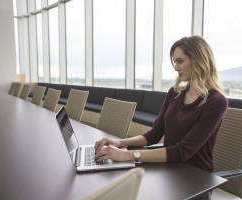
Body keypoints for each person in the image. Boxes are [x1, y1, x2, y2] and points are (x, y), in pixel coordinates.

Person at [94, 35, 228, 173]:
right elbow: (155, 133)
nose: (176, 67)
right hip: (168, 168)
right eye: (175, 62)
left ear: (198, 61)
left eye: (180, 61)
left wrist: (126, 155)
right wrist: (121, 143)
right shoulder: (174, 93)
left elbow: (183, 151)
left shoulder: (216, 102)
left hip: (195, 176)